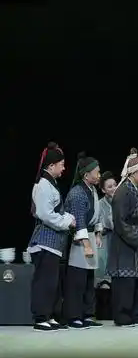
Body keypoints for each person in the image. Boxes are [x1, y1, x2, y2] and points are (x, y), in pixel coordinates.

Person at [27, 142, 76, 331]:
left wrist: (67, 218)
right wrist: (67, 221)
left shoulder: (50, 184)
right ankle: (40, 317)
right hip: (44, 241)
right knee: (44, 281)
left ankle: (50, 315)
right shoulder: (43, 185)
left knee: (52, 282)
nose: (64, 168)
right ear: (51, 165)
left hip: (53, 242)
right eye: (61, 164)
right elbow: (45, 214)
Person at [107, 148, 138, 327]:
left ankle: (135, 314)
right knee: (125, 280)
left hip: (135, 236)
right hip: (124, 241)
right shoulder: (123, 191)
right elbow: (120, 222)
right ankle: (122, 316)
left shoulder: (136, 189)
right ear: (133, 172)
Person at [63, 152, 104, 329]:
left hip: (90, 236)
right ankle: (74, 316)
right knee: (77, 280)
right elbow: (79, 219)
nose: (99, 175)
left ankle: (87, 314)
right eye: (97, 172)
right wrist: (86, 244)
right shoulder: (77, 193)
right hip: (79, 240)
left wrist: (98, 233)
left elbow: (98, 214)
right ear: (86, 175)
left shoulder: (93, 190)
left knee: (89, 278)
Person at [95, 171, 117, 288]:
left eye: (115, 185)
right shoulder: (99, 204)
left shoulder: (121, 201)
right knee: (104, 279)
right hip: (105, 239)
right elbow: (98, 225)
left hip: (118, 239)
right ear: (103, 190)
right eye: (110, 187)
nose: (114, 188)